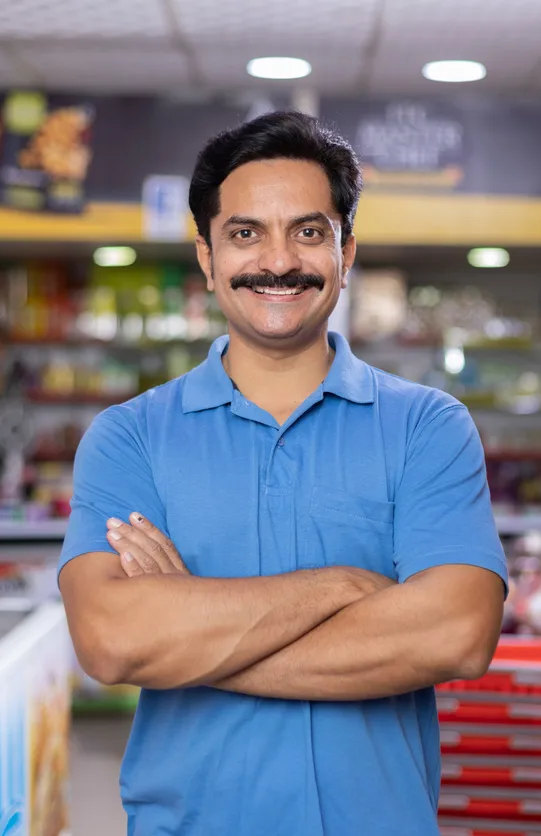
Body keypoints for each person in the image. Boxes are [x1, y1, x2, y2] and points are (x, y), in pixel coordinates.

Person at [58, 110, 507, 836]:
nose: (277, 261)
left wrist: (189, 632)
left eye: (308, 231)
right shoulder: (129, 437)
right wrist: (338, 589)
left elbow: (455, 634)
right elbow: (112, 641)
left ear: (346, 250)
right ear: (206, 256)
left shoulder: (427, 427)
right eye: (245, 234)